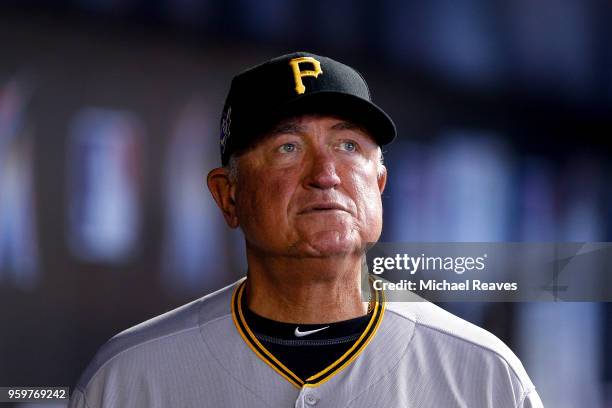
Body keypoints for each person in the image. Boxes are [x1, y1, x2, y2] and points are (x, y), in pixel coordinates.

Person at [69, 52, 543, 407]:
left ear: (379, 185)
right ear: (227, 195)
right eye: (288, 147)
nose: (327, 173)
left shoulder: (483, 374)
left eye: (349, 145)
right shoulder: (128, 378)